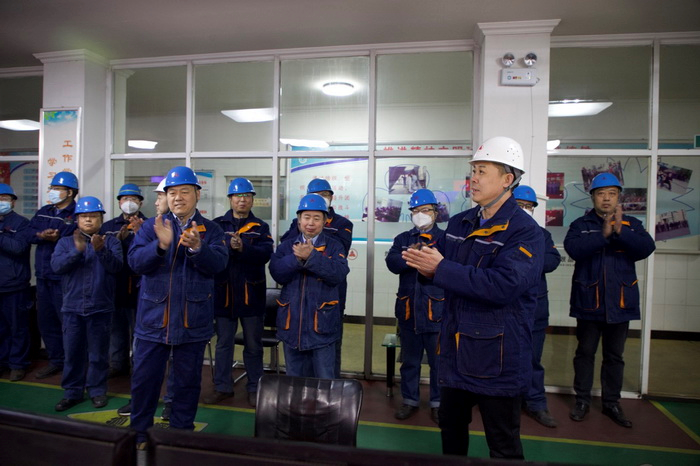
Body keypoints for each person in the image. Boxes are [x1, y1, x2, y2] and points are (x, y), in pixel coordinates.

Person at [402, 136, 544, 459]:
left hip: (498, 356)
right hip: (455, 351)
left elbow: (505, 285)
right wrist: (425, 266)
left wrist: (440, 269)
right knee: (451, 431)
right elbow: (443, 271)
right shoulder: (459, 223)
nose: (474, 178)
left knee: (503, 443)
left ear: (507, 180)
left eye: (482, 171)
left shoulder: (525, 232)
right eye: (473, 171)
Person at [128, 166, 227, 445]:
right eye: (172, 193)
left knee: (187, 383)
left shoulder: (212, 229)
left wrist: (198, 248)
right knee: (144, 381)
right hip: (153, 318)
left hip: (192, 319)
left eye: (185, 191)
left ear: (197, 194)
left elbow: (219, 265)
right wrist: (159, 246)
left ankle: (181, 437)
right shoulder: (151, 226)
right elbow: (135, 263)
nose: (178, 197)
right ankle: (139, 434)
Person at [565, 173, 655, 428]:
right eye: (601, 193)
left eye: (612, 194)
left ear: (618, 197)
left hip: (620, 303)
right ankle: (582, 400)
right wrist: (603, 235)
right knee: (585, 353)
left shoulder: (632, 224)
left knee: (615, 356)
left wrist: (619, 231)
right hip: (588, 303)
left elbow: (646, 248)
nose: (606, 198)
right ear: (593, 197)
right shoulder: (580, 225)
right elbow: (574, 250)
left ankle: (611, 403)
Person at [205, 178, 273, 407]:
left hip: (251, 296)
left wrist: (244, 247)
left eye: (246, 196)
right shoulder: (216, 226)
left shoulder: (260, 227)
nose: (242, 200)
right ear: (230, 199)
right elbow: (210, 253)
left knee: (253, 345)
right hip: (224, 295)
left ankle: (255, 387)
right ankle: (222, 387)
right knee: (224, 344)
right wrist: (228, 247)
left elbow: (265, 254)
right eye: (237, 196)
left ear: (252, 199)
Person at [50, 196, 123, 411]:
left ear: (101, 219)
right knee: (72, 353)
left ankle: (97, 391)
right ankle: (72, 393)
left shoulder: (111, 242)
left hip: (101, 307)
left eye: (93, 216)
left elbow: (117, 267)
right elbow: (57, 267)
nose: (89, 220)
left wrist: (101, 250)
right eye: (84, 216)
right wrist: (77, 250)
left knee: (98, 354)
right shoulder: (65, 242)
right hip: (72, 308)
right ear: (77, 219)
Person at [269, 193, 349, 379]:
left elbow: (338, 273)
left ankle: (324, 401)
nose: (310, 223)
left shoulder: (334, 246)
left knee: (324, 380)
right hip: (292, 326)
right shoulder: (287, 246)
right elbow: (276, 272)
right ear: (299, 220)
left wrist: (311, 257)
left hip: (322, 325)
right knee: (295, 380)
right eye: (306, 217)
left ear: (324, 221)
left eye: (316, 218)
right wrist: (297, 259)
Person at [116, 178, 176, 421]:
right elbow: (137, 261)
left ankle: (171, 402)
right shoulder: (150, 227)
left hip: (177, 306)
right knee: (145, 362)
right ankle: (139, 404)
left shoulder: (193, 228)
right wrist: (154, 241)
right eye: (159, 196)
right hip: (151, 305)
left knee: (176, 361)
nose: (157, 202)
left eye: (160, 197)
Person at [385, 189, 444, 425]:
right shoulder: (403, 239)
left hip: (436, 312)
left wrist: (418, 258)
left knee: (439, 362)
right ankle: (410, 400)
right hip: (408, 311)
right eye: (416, 211)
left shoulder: (446, 239)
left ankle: (438, 403)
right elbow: (392, 263)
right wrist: (414, 257)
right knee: (410, 361)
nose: (421, 214)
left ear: (435, 213)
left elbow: (448, 267)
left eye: (426, 210)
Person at [513, 185, 561, 428]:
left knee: (533, 358)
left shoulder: (542, 235)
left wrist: (524, 259)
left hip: (535, 308)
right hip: (506, 308)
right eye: (519, 205)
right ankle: (503, 400)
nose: (524, 209)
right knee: (502, 357)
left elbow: (552, 260)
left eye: (528, 206)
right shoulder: (500, 232)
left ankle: (535, 403)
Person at [28, 171, 79, 379]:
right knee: (46, 321)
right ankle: (55, 360)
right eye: (52, 188)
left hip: (64, 279)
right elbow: (28, 233)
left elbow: (74, 240)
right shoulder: (44, 212)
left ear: (70, 192)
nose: (53, 192)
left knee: (67, 323)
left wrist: (56, 238)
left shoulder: (76, 214)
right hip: (43, 277)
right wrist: (41, 235)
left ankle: (72, 364)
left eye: (57, 189)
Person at [100, 183, 147, 378]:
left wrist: (133, 237)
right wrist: (117, 241)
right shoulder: (108, 227)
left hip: (139, 286)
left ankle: (139, 366)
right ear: (119, 202)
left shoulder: (148, 225)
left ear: (140, 202)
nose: (129, 203)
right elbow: (103, 253)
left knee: (139, 330)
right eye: (125, 199)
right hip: (115, 285)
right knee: (116, 328)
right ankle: (117, 363)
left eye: (133, 199)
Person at [0, 183, 32, 382]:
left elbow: (19, 248)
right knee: (1, 328)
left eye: (4, 198)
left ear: (12, 202)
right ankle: (2, 361)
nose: (1, 202)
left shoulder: (21, 223)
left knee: (17, 327)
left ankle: (18, 364)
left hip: (15, 285)